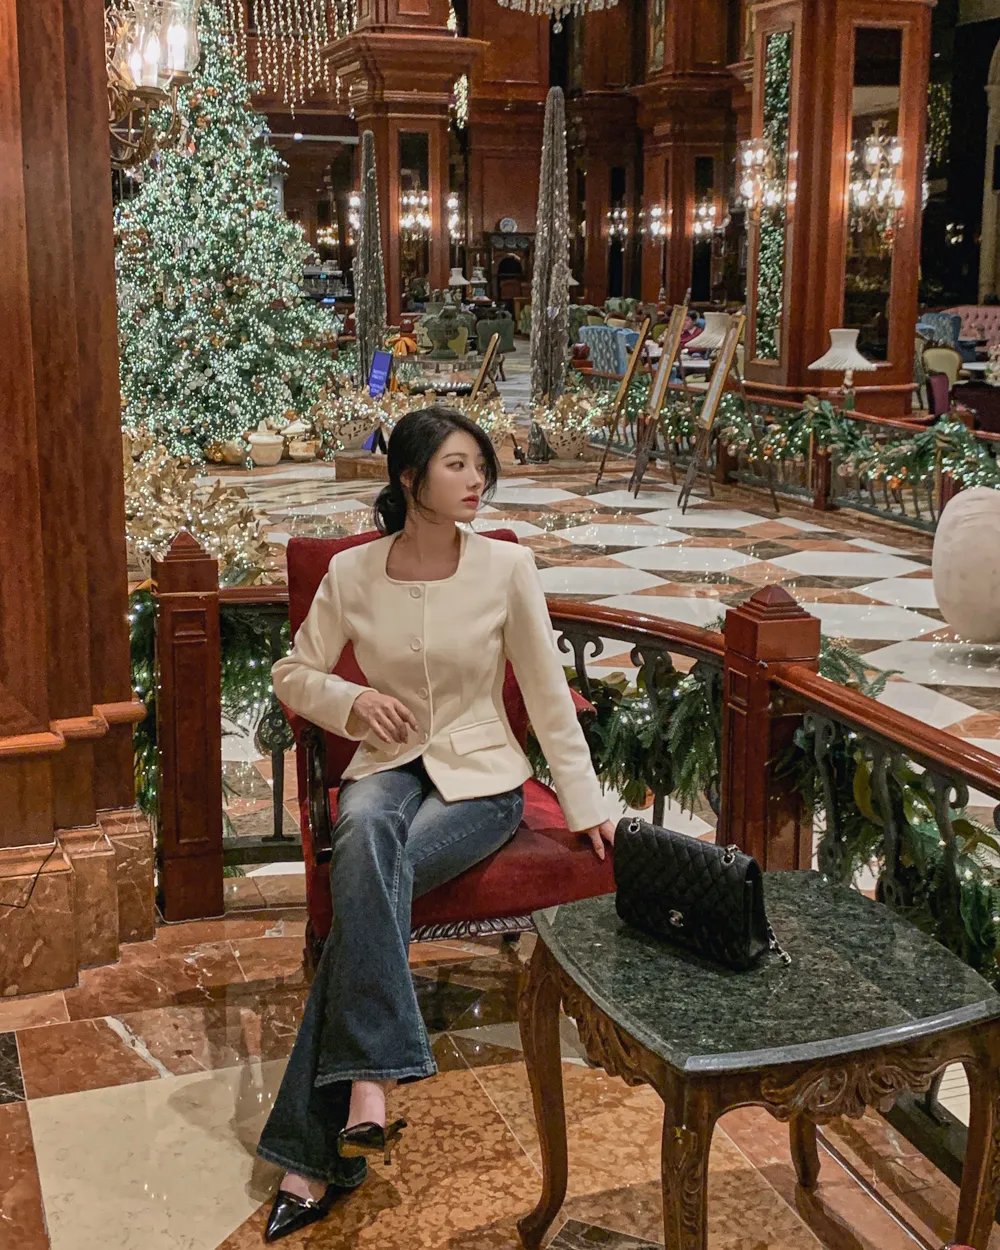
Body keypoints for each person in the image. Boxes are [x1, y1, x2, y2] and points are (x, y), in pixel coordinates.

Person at [256, 405, 615, 1242]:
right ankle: (368, 1081)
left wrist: (586, 804)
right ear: (410, 478)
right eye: (457, 465)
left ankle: (316, 1149)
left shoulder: (505, 567)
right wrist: (351, 700)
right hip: (387, 763)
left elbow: (547, 691)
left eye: (481, 465)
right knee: (364, 832)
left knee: (368, 884)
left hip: (481, 779)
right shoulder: (352, 573)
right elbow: (293, 672)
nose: (477, 479)